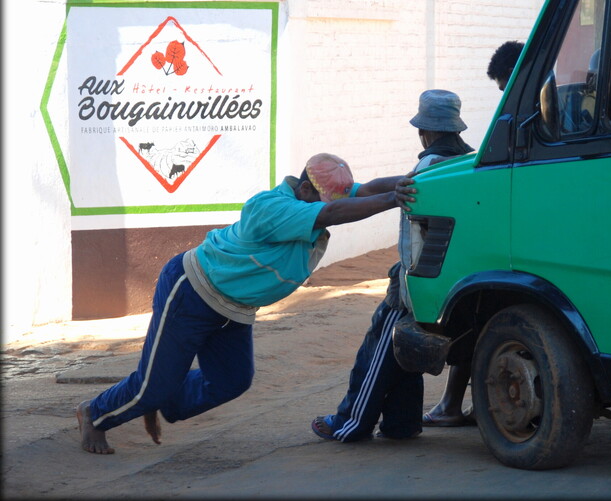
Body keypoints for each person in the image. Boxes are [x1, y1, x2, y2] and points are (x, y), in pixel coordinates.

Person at [76, 154, 416, 454]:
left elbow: (367, 190)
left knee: (231, 381)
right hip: (192, 291)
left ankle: (157, 394)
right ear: (304, 189)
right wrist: (393, 199)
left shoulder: (314, 193)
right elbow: (335, 211)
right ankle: (95, 414)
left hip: (233, 308)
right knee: (154, 385)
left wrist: (413, 183)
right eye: (320, 199)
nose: (325, 206)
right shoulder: (271, 208)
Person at [311, 89, 474, 442]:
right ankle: (401, 423)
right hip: (454, 277)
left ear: (424, 132)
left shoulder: (427, 169)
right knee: (406, 352)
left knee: (379, 349)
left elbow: (414, 231)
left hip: (417, 279)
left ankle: (350, 423)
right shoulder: (467, 163)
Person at [421, 41, 524, 428]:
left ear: (424, 132)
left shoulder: (431, 166)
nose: (506, 97)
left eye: (505, 87)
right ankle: (465, 404)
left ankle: (448, 405)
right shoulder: (467, 155)